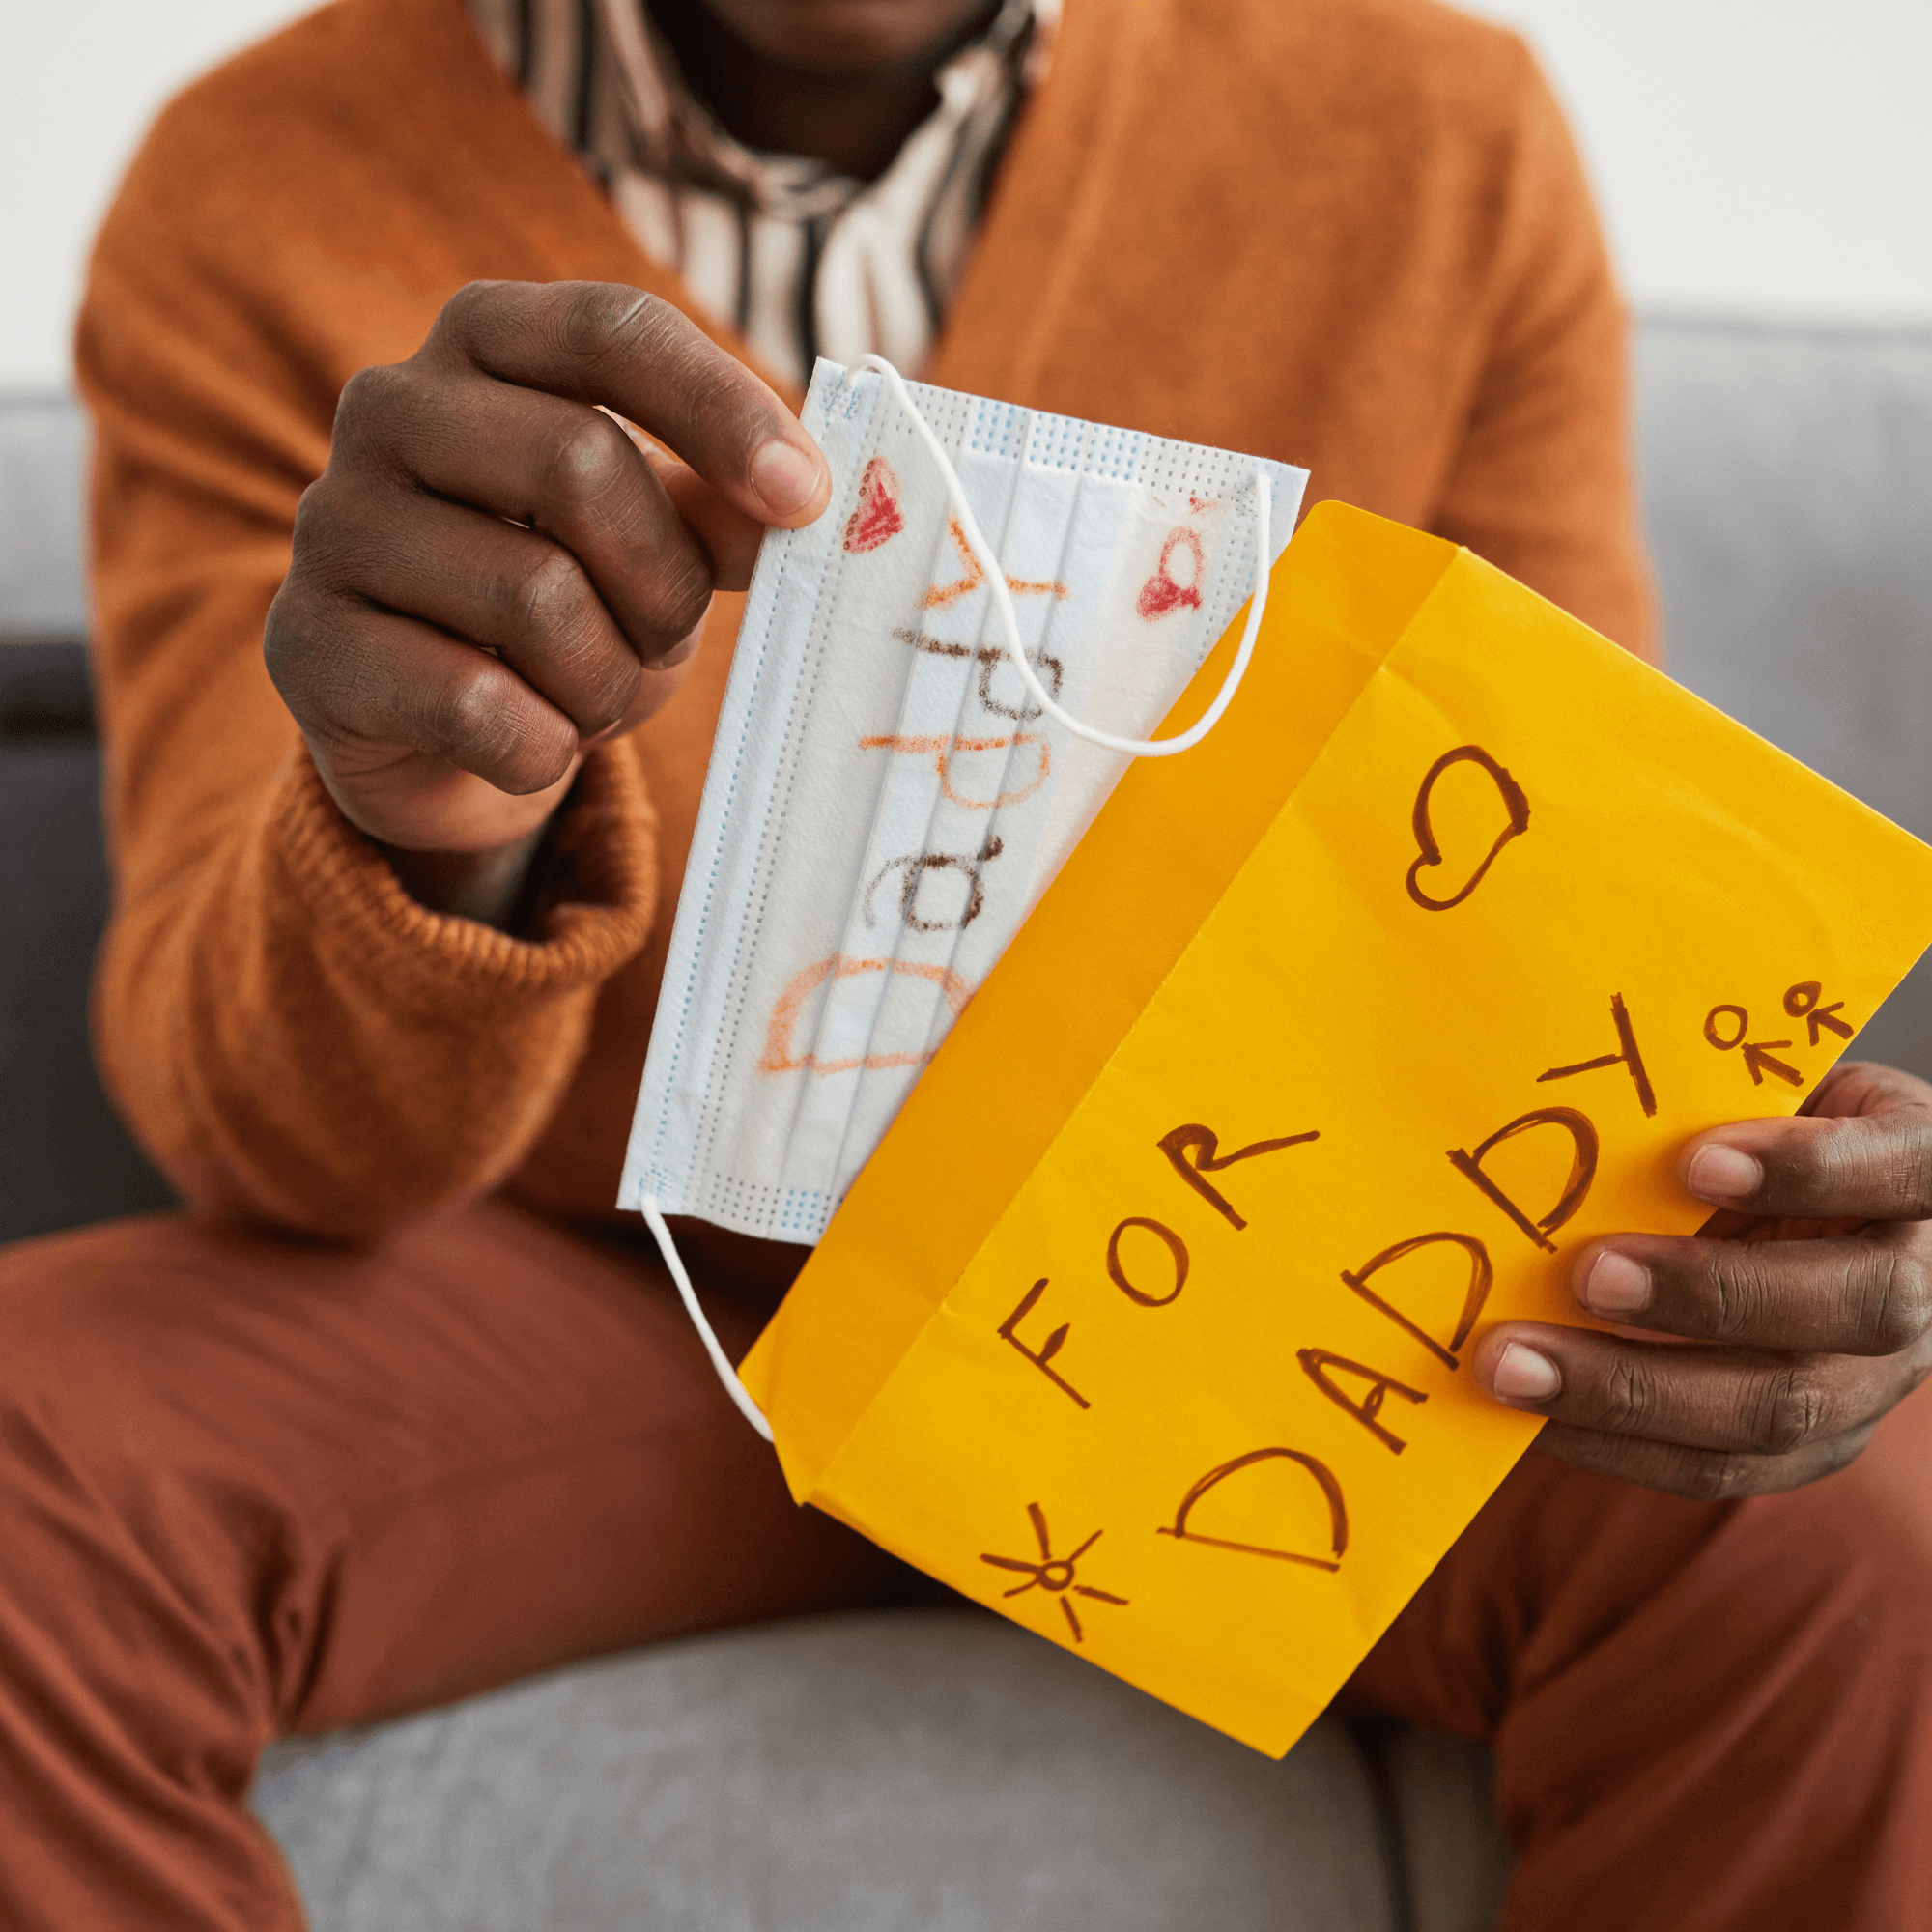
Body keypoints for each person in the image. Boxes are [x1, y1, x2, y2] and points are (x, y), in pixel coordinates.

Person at [4, 0, 1926, 1923]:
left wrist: (1754, 1209)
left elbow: (1557, 932)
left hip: (1259, 1323)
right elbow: (272, 1144)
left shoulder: (1432, 129)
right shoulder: (260, 182)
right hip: (605, 1294)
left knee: (1855, 1529)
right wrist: (429, 825)